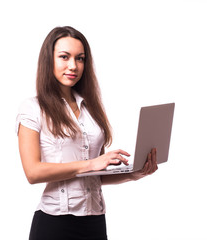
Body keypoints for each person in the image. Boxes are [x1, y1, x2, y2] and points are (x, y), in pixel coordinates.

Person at [16, 26, 158, 240]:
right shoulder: (33, 108)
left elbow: (93, 177)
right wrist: (91, 163)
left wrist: (134, 174)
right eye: (64, 57)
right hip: (54, 224)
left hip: (95, 222)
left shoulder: (90, 108)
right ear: (49, 60)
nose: (73, 65)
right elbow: (32, 172)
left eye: (80, 58)